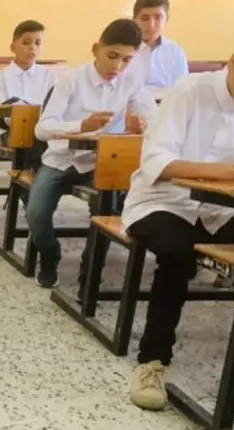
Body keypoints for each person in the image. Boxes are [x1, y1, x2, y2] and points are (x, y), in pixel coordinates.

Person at [123, 23, 234, 410]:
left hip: (220, 207)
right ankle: (152, 362)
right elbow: (157, 162)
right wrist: (226, 171)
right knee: (178, 253)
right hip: (162, 201)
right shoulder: (189, 90)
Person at [28, 18, 158, 289]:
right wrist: (81, 126)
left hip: (101, 163)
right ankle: (50, 256)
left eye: (126, 60)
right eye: (112, 56)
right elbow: (42, 128)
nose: (117, 66)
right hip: (61, 160)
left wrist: (143, 125)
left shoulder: (131, 82)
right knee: (36, 213)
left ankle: (90, 273)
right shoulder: (71, 80)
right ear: (96, 49)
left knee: (107, 212)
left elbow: (156, 119)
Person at [129, 0, 189, 93]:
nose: (151, 25)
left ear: (166, 19)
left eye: (158, 18)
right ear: (134, 20)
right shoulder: (124, 49)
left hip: (166, 101)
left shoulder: (175, 51)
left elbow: (182, 89)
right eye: (145, 18)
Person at [0, 19, 56, 106]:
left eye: (37, 43)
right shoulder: (2, 75)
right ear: (13, 47)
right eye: (26, 43)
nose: (33, 47)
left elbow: (55, 107)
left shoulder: (49, 75)